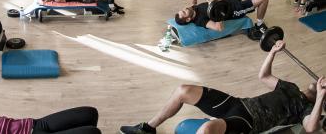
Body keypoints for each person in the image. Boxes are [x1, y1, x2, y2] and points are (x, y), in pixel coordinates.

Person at [119, 40, 326, 134]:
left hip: (248, 122)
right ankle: (147, 129)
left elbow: (311, 128)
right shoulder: (290, 87)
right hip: (239, 104)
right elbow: (263, 76)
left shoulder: (307, 109)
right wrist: (272, 52)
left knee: (207, 129)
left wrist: (320, 97)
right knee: (184, 90)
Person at [174, 0, 268, 36]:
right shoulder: (200, 20)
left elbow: (194, 3)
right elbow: (218, 28)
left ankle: (242, 5)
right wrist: (218, 12)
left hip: (227, 1)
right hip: (234, 10)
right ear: (188, 19)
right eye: (184, 12)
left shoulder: (192, 10)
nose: (185, 9)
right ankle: (259, 24)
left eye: (182, 9)